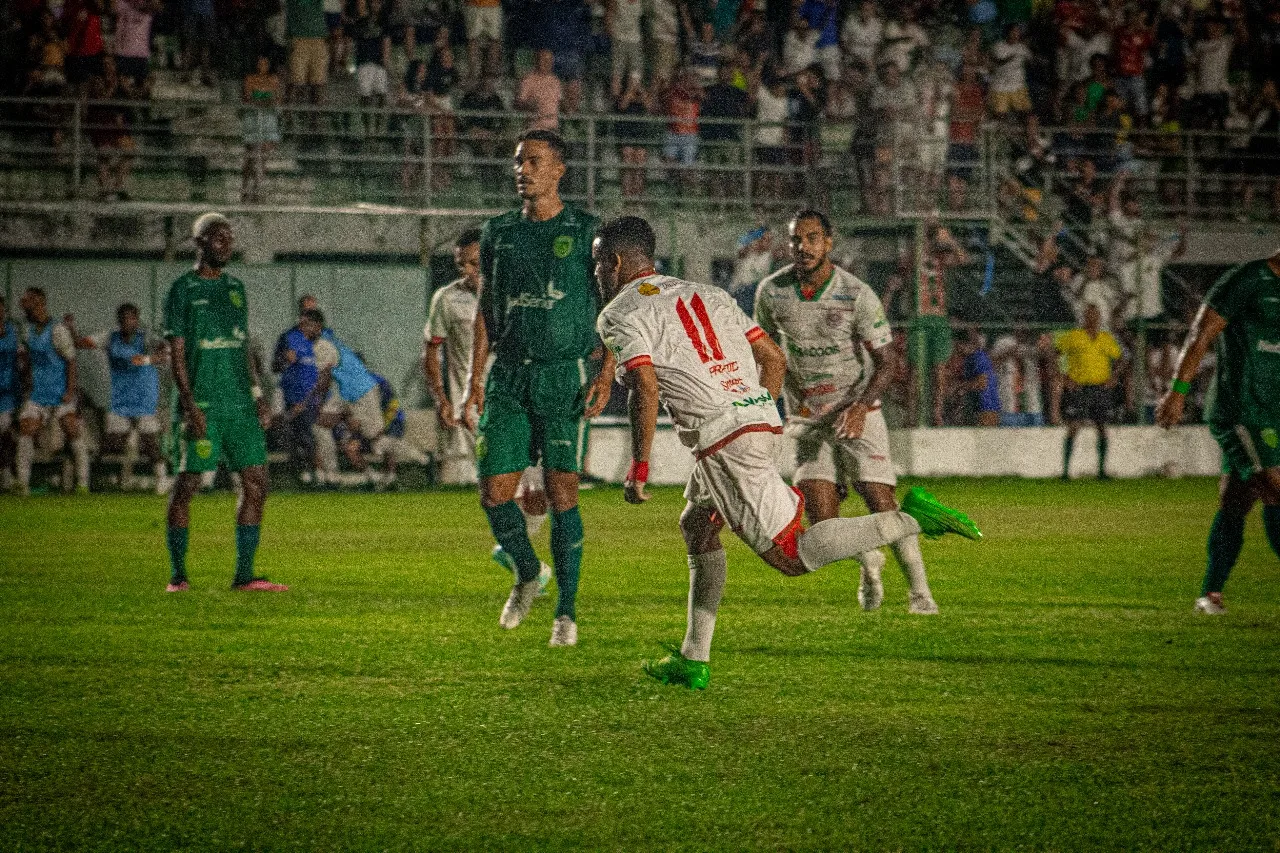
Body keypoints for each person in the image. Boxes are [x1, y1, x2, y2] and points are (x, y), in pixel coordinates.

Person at [594, 215, 981, 690]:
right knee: (698, 527)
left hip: (723, 441)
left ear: (614, 263)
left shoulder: (619, 312)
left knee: (793, 555)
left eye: (596, 265)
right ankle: (694, 659)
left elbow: (645, 388)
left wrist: (638, 467)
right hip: (756, 421)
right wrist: (759, 409)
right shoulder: (709, 293)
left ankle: (912, 519)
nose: (595, 277)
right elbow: (773, 360)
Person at [462, 129, 614, 647]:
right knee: (493, 492)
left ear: (559, 170)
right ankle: (528, 572)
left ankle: (566, 614)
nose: (522, 170)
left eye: (534, 161)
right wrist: (472, 382)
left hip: (563, 373)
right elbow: (485, 308)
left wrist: (608, 368)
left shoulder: (587, 231)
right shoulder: (497, 232)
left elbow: (616, 309)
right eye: (518, 161)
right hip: (508, 375)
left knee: (562, 493)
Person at [754, 210, 941, 614]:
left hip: (859, 410)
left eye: (812, 238)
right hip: (806, 418)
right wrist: (764, 406)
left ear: (829, 243)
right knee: (824, 525)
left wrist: (859, 406)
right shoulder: (771, 293)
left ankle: (920, 593)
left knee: (879, 499)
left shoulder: (856, 293)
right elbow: (764, 353)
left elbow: (888, 361)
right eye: (796, 239)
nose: (803, 247)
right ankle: (869, 563)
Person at [423, 229, 552, 590]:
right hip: (481, 405)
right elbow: (431, 350)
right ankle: (526, 563)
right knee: (503, 489)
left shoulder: (520, 292)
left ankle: (512, 549)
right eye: (461, 264)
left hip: (525, 396)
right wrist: (441, 398)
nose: (468, 270)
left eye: (475, 262)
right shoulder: (447, 300)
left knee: (538, 489)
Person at [163, 213, 285, 593]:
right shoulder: (182, 289)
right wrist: (189, 403)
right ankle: (178, 576)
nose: (226, 244)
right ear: (198, 242)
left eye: (230, 238)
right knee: (189, 484)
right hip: (203, 403)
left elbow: (243, 345)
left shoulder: (236, 288)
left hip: (240, 406)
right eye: (218, 238)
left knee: (256, 482)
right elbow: (177, 352)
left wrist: (258, 394)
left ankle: (244, 576)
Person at [1156, 251, 1280, 615]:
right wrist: (1177, 392)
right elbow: (1202, 334)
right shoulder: (1247, 279)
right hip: (1242, 409)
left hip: (1274, 409)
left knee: (1236, 500)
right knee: (1275, 487)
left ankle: (1210, 594)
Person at [67, 303, 170, 493]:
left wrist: (148, 359)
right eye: (123, 318)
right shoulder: (110, 337)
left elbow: (164, 352)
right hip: (120, 400)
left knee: (150, 443)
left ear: (137, 320)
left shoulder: (146, 338)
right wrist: (71, 331)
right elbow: (82, 343)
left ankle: (162, 480)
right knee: (112, 443)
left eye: (131, 318)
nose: (127, 322)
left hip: (144, 398)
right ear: (119, 320)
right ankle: (99, 481)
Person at [297, 310, 390, 488]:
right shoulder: (321, 342)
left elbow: (324, 379)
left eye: (306, 324)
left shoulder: (323, 345)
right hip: (346, 393)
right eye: (300, 324)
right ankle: (334, 476)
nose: (302, 329)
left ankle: (422, 459)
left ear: (317, 326)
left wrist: (311, 403)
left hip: (362, 393)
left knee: (376, 440)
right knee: (319, 423)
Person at [14, 288, 89, 496]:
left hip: (60, 393)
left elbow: (71, 360)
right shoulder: (27, 331)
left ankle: (83, 483)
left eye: (26, 300)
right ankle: (22, 483)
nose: (22, 304)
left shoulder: (58, 330)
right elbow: (28, 358)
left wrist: (70, 390)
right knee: (26, 428)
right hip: (38, 394)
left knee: (72, 429)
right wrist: (26, 379)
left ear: (38, 303)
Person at [1056, 303, 1121, 481]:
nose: (1093, 318)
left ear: (1100, 318)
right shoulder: (1074, 336)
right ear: (1084, 317)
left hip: (1100, 387)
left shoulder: (1105, 338)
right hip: (1079, 387)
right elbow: (1056, 354)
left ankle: (1101, 471)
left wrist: (1114, 376)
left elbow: (1122, 358)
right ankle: (1065, 472)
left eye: (1096, 315)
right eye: (1089, 315)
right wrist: (1064, 376)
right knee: (1073, 427)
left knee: (1101, 427)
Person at [272, 294, 322, 484]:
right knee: (300, 433)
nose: (308, 316)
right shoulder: (288, 337)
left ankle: (317, 473)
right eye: (305, 312)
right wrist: (285, 359)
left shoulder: (324, 338)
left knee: (312, 435)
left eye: (312, 312)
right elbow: (275, 366)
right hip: (294, 395)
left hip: (317, 396)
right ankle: (304, 474)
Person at [0, 297, 20, 492]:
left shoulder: (12, 331)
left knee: (7, 435)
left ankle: (7, 475)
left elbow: (20, 358)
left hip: (7, 395)